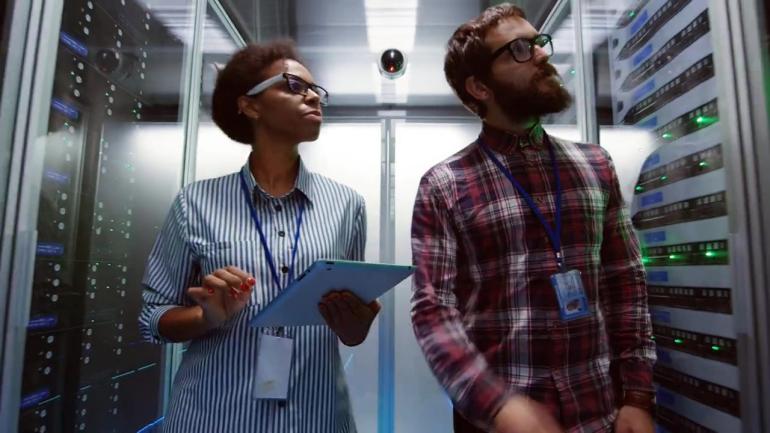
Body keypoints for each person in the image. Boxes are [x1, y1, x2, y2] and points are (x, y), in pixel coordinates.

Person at [410, 4, 656, 433]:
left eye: (539, 42)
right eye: (520, 49)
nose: (543, 55)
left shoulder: (596, 165)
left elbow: (625, 282)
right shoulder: (445, 184)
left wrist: (636, 395)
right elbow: (433, 310)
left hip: (599, 413)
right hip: (496, 422)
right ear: (479, 87)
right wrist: (498, 405)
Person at [138, 40, 379, 433]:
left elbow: (350, 333)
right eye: (294, 86)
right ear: (249, 105)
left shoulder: (346, 205)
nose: (314, 98)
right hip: (213, 418)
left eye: (317, 90)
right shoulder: (195, 203)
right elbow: (152, 318)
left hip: (315, 418)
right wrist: (206, 316)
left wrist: (356, 324)